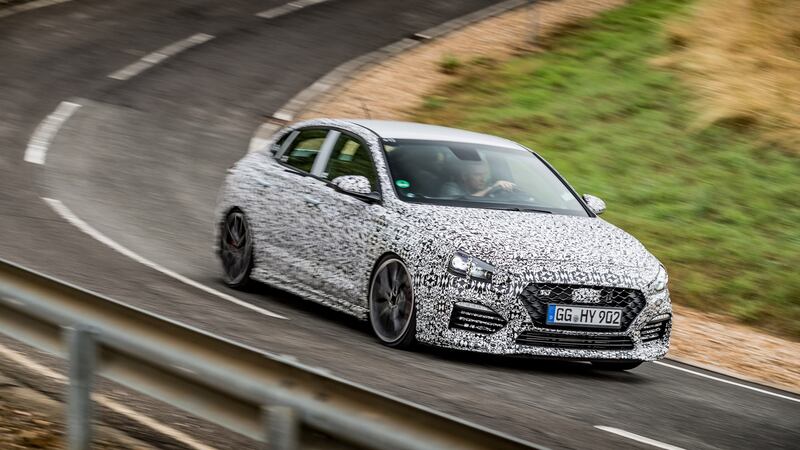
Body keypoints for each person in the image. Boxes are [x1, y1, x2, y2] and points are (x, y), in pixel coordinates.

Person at [440, 159, 516, 197]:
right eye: (477, 175)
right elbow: (461, 204)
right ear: (465, 176)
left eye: (485, 174)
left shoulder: (489, 185)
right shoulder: (450, 187)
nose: (483, 179)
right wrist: (490, 189)